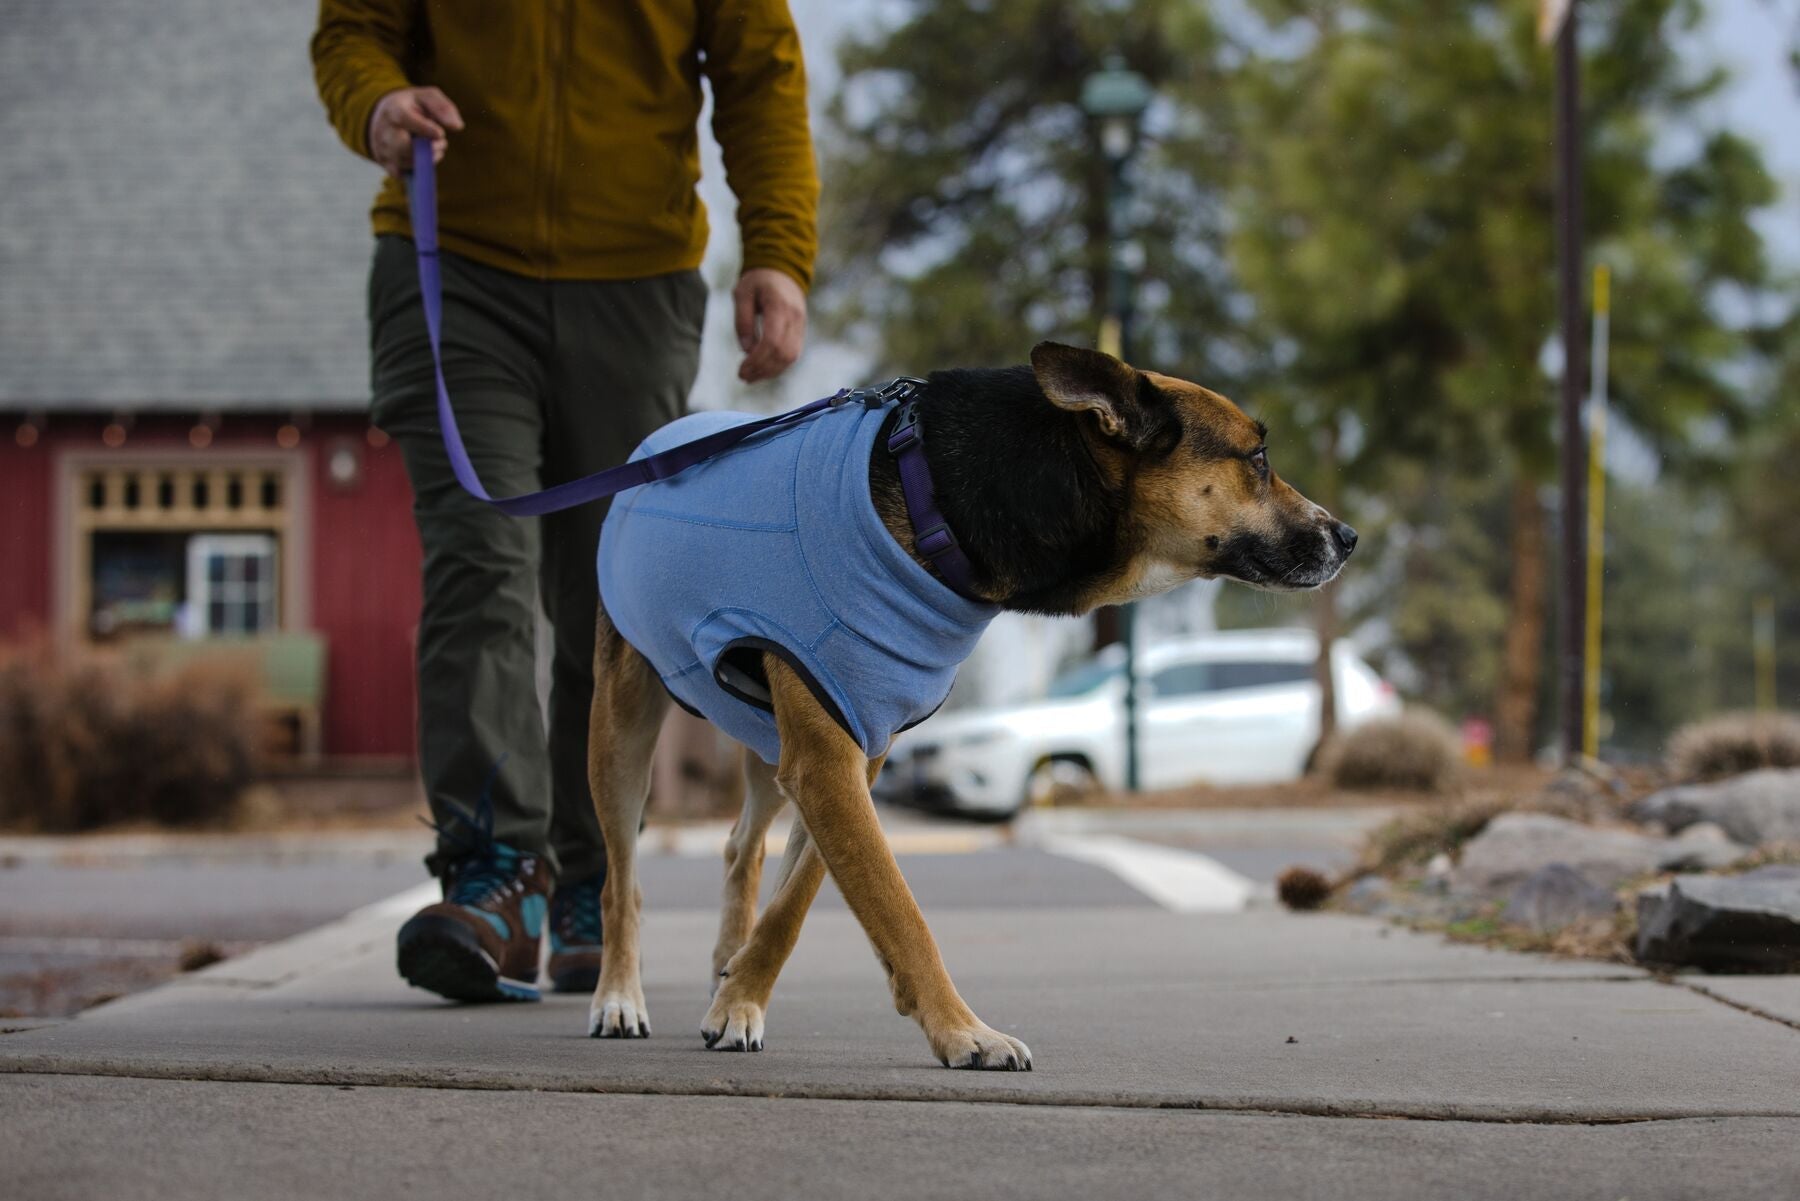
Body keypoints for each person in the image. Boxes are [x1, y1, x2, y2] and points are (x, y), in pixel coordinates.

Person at [311, 1, 818, 1003]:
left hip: (636, 282)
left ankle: (593, 884)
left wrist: (777, 246)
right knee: (478, 561)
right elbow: (352, 27)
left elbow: (761, 72)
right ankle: (497, 880)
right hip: (450, 265)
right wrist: (375, 103)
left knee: (610, 598)